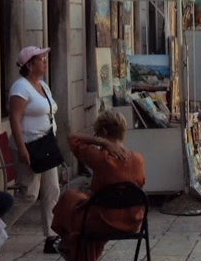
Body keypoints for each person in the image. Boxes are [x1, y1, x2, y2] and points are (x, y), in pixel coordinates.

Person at [51, 111, 147, 261]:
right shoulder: (138, 159)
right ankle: (75, 248)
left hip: (104, 220)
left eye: (97, 134)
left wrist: (102, 143)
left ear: (103, 132)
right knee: (81, 203)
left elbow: (72, 138)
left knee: (70, 200)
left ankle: (70, 247)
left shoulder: (100, 157)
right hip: (132, 221)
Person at [9, 45, 62, 254]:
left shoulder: (43, 86)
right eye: (41, 59)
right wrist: (22, 149)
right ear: (30, 65)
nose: (45, 62)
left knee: (52, 190)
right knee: (29, 194)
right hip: (30, 146)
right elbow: (14, 118)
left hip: (46, 144)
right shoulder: (20, 88)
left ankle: (51, 236)